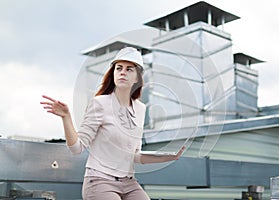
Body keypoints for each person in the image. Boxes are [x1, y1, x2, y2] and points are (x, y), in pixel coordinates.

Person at [40, 47, 185, 200]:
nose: (122, 72)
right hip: (99, 181)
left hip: (129, 182)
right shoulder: (99, 104)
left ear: (137, 78)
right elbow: (77, 148)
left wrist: (168, 157)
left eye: (129, 69)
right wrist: (66, 117)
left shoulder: (141, 109)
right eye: (119, 68)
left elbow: (134, 156)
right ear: (113, 73)